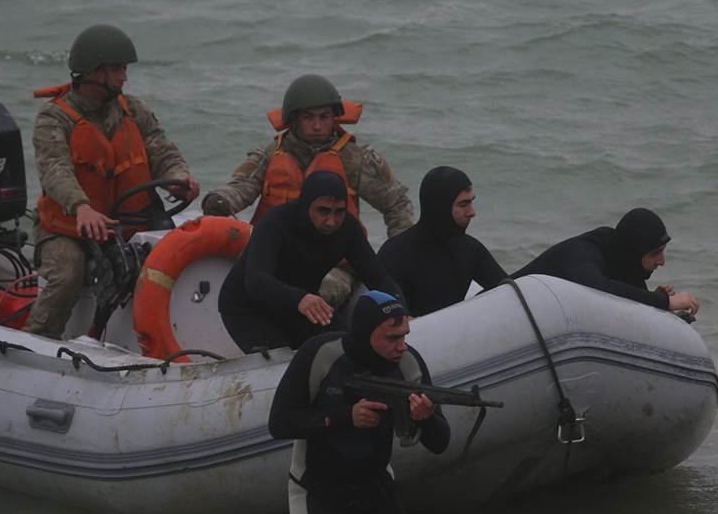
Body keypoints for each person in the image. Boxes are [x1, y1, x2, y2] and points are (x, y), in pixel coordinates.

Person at [269, 290, 451, 514]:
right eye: (392, 337)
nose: (402, 346)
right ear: (366, 331)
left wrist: (426, 417)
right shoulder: (321, 354)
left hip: (376, 492)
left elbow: (441, 442)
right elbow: (280, 422)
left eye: (405, 337)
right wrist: (343, 417)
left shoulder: (409, 366)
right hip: (318, 490)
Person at [23, 24, 199, 339]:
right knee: (67, 274)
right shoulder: (53, 118)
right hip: (69, 231)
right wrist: (82, 208)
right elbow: (55, 170)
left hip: (126, 229)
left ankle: (164, 343)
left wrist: (178, 178)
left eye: (125, 69)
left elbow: (163, 151)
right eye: (117, 69)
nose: (124, 77)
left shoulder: (134, 110)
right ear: (92, 72)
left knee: (177, 266)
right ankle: (36, 340)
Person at [199, 74, 414, 309]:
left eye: (324, 117)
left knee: (320, 293)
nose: (318, 126)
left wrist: (399, 257)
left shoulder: (356, 160)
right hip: (276, 258)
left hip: (335, 264)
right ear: (294, 120)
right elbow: (240, 188)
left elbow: (396, 203)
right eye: (308, 118)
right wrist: (221, 200)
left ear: (335, 118)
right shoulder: (270, 156)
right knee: (250, 286)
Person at [218, 170, 403, 353]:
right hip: (248, 309)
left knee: (347, 351)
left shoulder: (347, 228)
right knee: (282, 362)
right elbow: (256, 281)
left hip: (301, 306)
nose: (331, 221)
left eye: (339, 212)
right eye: (323, 211)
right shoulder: (275, 223)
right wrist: (300, 298)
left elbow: (377, 275)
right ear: (305, 206)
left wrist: (400, 310)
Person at [512, 207, 700, 317]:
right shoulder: (585, 252)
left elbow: (619, 294)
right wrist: (664, 302)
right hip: (502, 310)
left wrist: (651, 300)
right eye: (655, 253)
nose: (661, 262)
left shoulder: (623, 260)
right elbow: (594, 285)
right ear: (635, 251)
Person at [377, 166, 507, 316]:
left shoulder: (470, 250)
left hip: (458, 332)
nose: (472, 212)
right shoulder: (395, 255)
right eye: (463, 205)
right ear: (440, 207)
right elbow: (384, 320)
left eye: (471, 202)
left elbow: (508, 290)